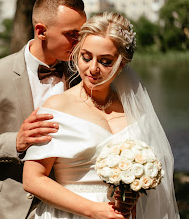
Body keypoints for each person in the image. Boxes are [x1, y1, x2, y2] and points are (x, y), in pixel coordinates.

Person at [22, 12, 180, 219]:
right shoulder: (56, 106)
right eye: (86, 57)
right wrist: (93, 210)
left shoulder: (134, 109)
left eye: (105, 61)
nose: (93, 68)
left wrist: (132, 193)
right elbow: (32, 180)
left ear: (121, 64)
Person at [0, 0, 87, 218]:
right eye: (72, 34)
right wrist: (14, 142)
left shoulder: (84, 75)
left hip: (67, 205)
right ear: (41, 31)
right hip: (6, 207)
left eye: (83, 34)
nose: (79, 43)